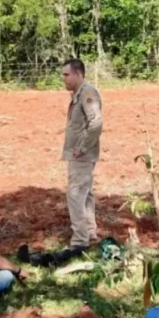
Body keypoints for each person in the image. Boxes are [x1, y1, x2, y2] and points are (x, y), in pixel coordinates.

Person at [61, 58, 103, 251]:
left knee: (75, 194)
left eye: (66, 74)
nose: (63, 79)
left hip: (82, 155)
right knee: (85, 194)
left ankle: (79, 241)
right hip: (79, 154)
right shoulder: (79, 94)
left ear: (78, 74)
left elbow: (96, 123)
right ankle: (90, 232)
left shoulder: (87, 93)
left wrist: (83, 147)